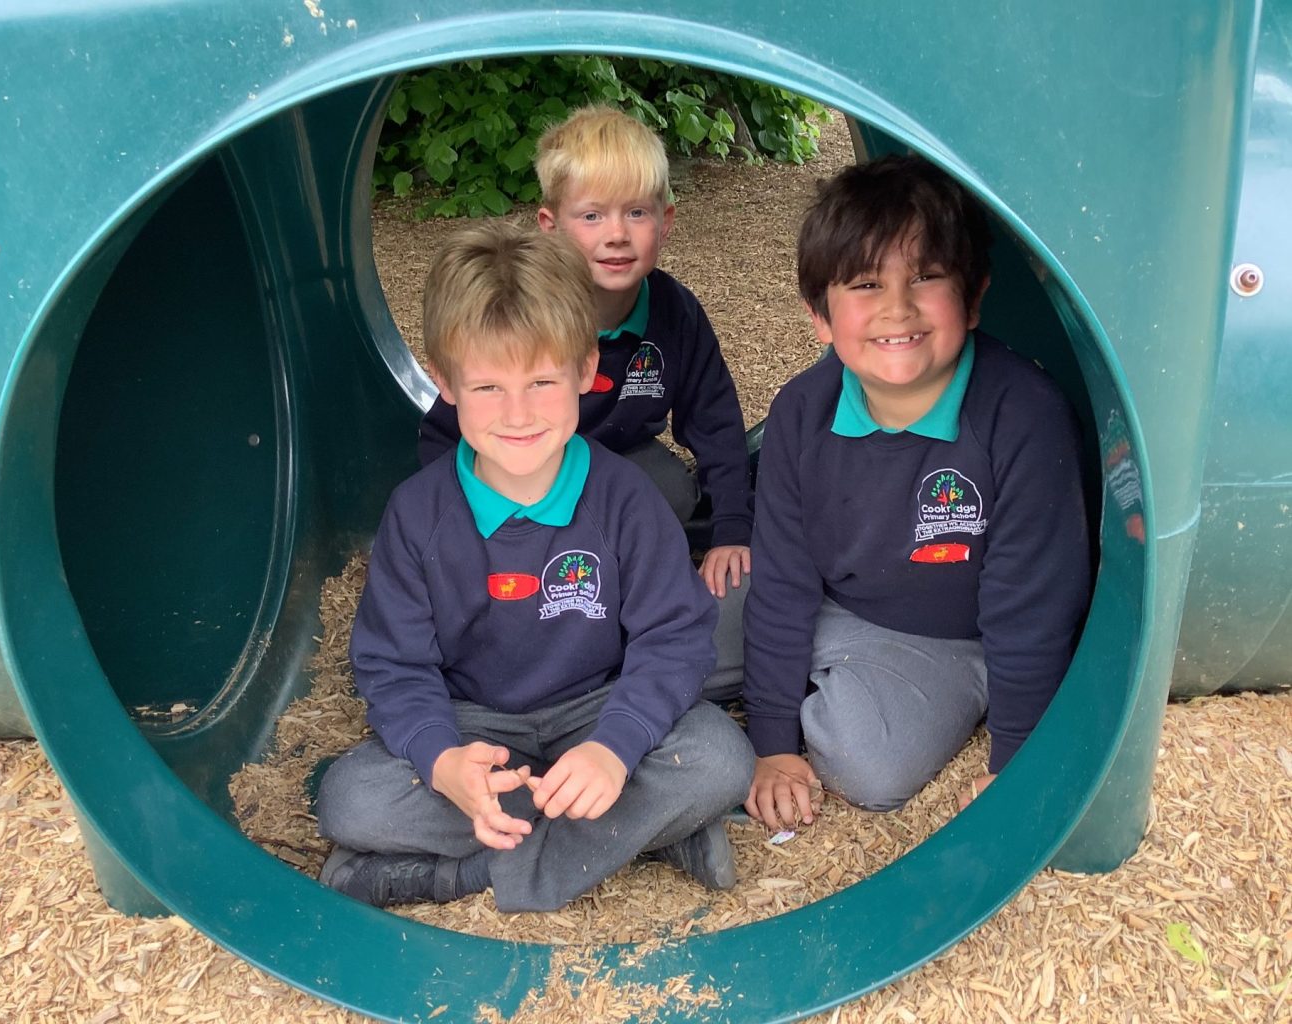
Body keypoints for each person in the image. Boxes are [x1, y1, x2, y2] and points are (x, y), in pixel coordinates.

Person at [316, 222, 754, 912]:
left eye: (542, 381)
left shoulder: (625, 497)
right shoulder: (417, 512)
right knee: (350, 800)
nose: (517, 413)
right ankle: (645, 836)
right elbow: (393, 666)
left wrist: (614, 749)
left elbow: (674, 637)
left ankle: (459, 876)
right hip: (474, 727)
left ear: (585, 370)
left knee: (719, 758)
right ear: (445, 382)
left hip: (596, 708)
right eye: (488, 386)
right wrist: (443, 762)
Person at [742, 154, 1091, 830]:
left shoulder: (1024, 413)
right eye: (866, 284)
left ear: (974, 296)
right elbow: (782, 580)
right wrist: (771, 743)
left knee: (868, 764)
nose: (896, 308)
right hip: (832, 602)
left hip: (949, 636)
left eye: (926, 276)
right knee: (666, 628)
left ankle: (849, 685)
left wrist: (1015, 761)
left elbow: (1032, 607)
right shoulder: (801, 411)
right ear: (819, 316)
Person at [416, 105, 753, 614]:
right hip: (521, 460)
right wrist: (447, 524)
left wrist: (731, 529)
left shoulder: (675, 313)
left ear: (665, 222)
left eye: (636, 213)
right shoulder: (528, 312)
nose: (616, 234)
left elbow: (715, 423)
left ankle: (614, 564)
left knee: (672, 493)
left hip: (616, 458)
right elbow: (448, 428)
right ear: (551, 226)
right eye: (592, 216)